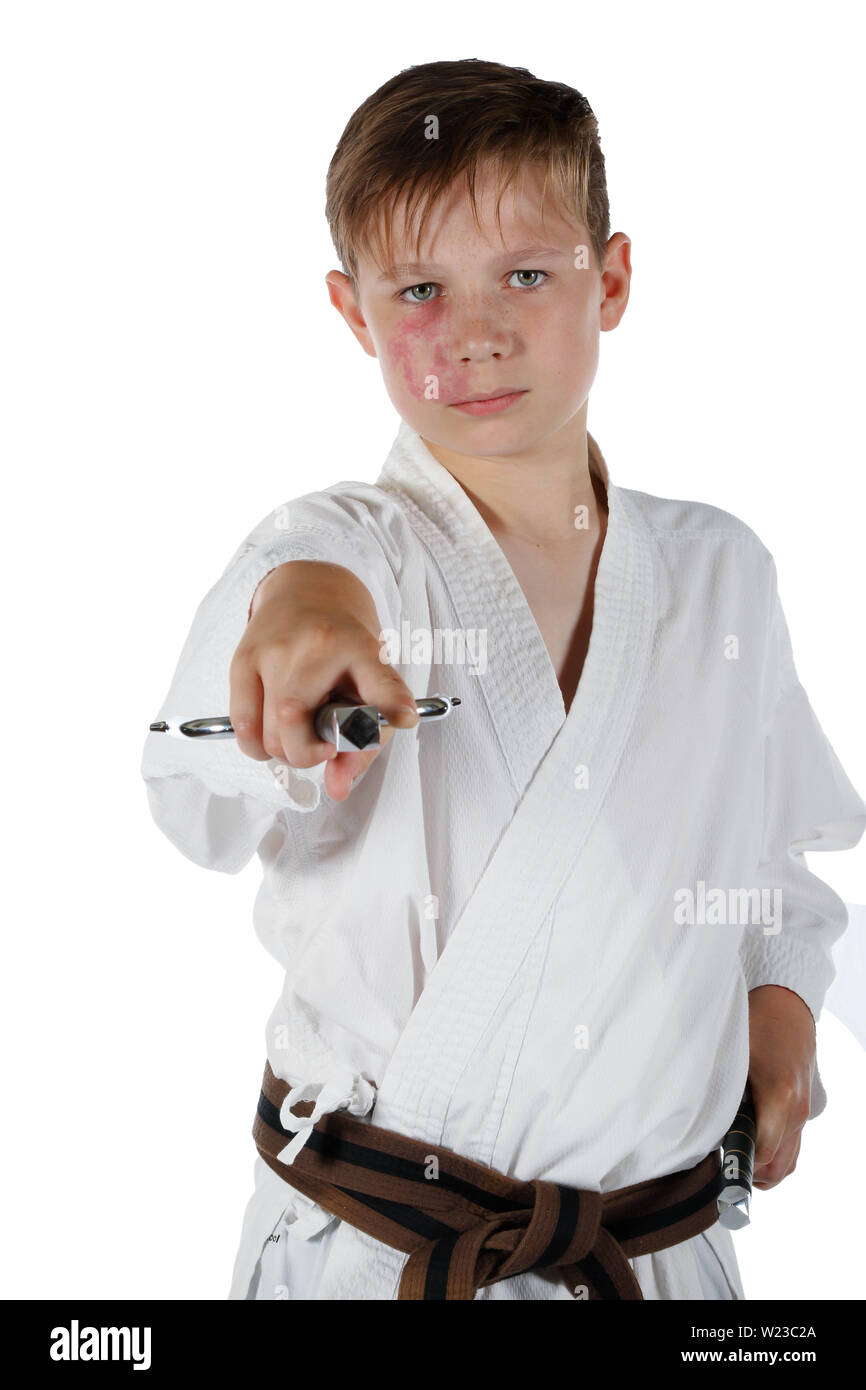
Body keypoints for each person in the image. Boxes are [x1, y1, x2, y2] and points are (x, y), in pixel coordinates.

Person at [141, 59, 865, 1300]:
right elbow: (281, 626)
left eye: (526, 274)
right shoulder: (346, 551)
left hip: (654, 1261)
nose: (473, 331)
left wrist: (781, 1008)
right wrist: (304, 621)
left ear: (613, 278)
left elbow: (767, 869)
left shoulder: (721, 575)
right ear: (354, 314)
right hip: (376, 1261)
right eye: (419, 288)